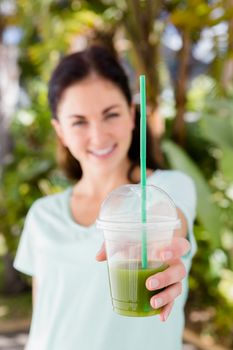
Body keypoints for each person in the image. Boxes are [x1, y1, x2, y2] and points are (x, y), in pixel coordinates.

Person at [14, 45, 197, 350]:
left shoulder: (166, 191)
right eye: (79, 121)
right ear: (60, 131)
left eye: (110, 115)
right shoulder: (42, 215)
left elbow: (170, 227)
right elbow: (44, 316)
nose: (98, 136)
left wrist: (166, 255)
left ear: (130, 115)